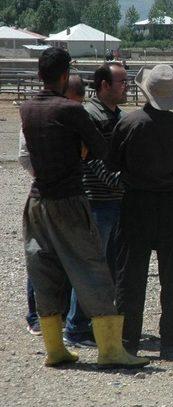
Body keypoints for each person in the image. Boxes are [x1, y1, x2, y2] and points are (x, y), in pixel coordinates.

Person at [20, 47, 148, 368]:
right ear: (65, 76)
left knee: (45, 271)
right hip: (69, 199)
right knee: (93, 269)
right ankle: (109, 349)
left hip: (37, 202)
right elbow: (101, 149)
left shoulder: (26, 109)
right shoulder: (71, 111)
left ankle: (55, 348)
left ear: (40, 75)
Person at [106, 65, 173, 359]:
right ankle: (170, 342)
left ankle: (128, 341)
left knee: (131, 275)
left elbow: (112, 163)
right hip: (172, 203)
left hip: (137, 203)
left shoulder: (129, 124)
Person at [63, 63, 128, 347]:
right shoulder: (90, 115)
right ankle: (76, 326)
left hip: (114, 201)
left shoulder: (115, 115)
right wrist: (120, 182)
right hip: (96, 200)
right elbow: (91, 158)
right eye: (121, 82)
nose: (126, 86)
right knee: (92, 265)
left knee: (110, 266)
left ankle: (96, 322)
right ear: (104, 85)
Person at [19, 75, 86, 336]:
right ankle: (36, 314)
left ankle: (59, 313)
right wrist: (49, 175)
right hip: (46, 191)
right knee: (40, 255)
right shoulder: (38, 115)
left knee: (64, 254)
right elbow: (25, 157)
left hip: (65, 193)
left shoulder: (70, 115)